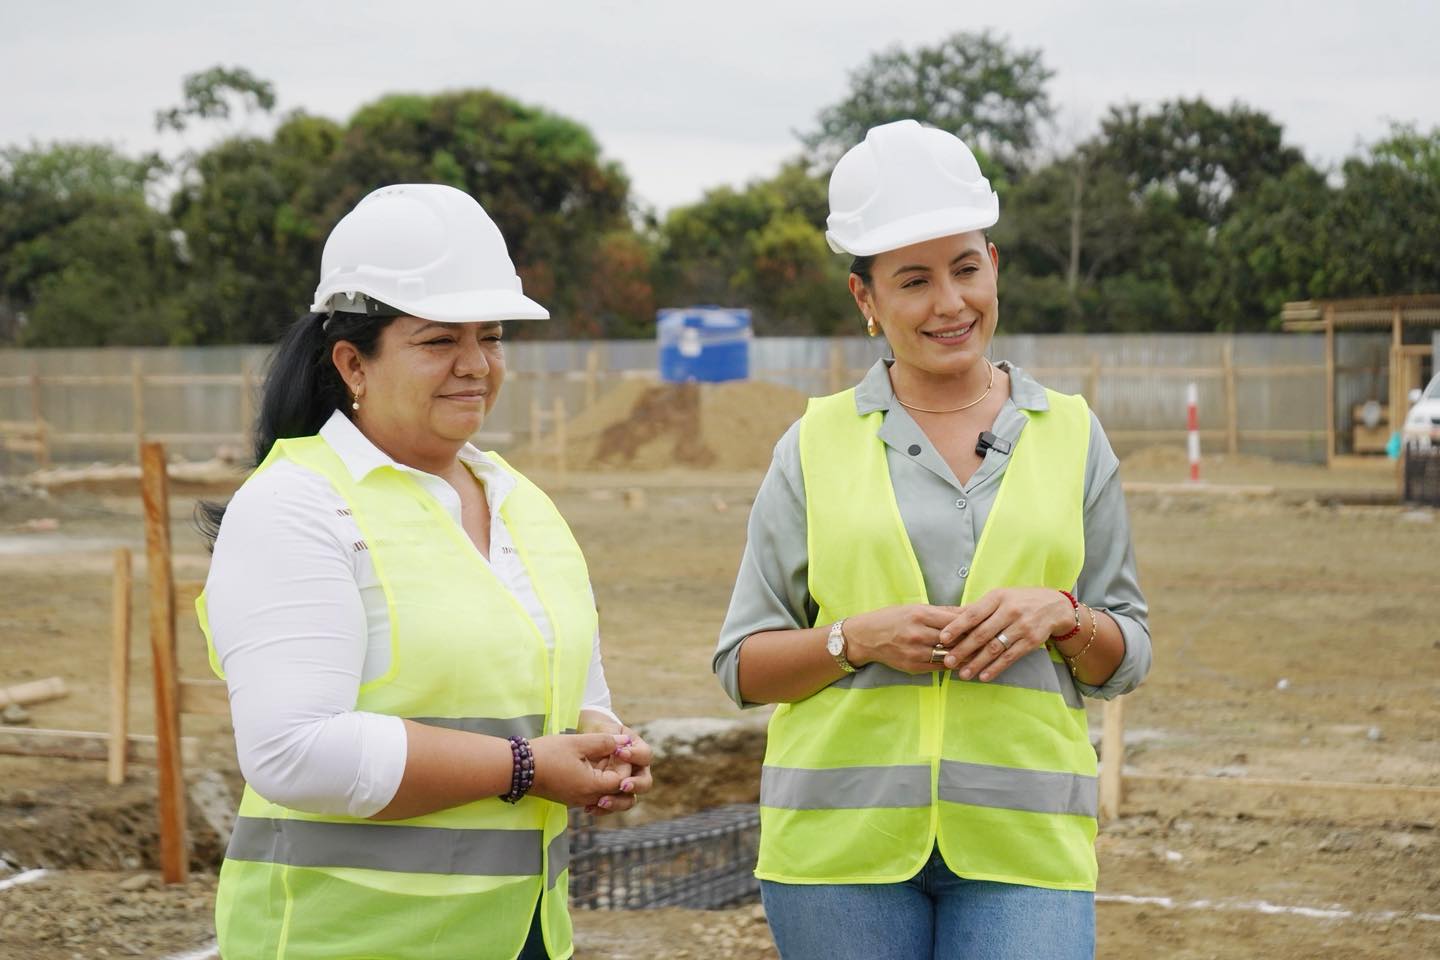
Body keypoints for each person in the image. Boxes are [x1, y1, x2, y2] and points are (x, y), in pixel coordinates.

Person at [712, 120, 1151, 960]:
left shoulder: (1073, 434)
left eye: (966, 268)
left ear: (997, 267)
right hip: (839, 856)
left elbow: (1126, 652)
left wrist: (1063, 616)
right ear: (865, 300)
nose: (950, 303)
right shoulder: (812, 444)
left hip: (1025, 852)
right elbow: (742, 663)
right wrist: (853, 640)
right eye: (913, 280)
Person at [196, 183, 652, 960]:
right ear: (353, 363)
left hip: (521, 935)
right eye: (439, 340)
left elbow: (575, 698)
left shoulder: (520, 502)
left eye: (492, 337)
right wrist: (523, 767)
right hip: (348, 942)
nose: (475, 366)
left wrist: (605, 747)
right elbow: (292, 752)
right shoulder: (296, 506)